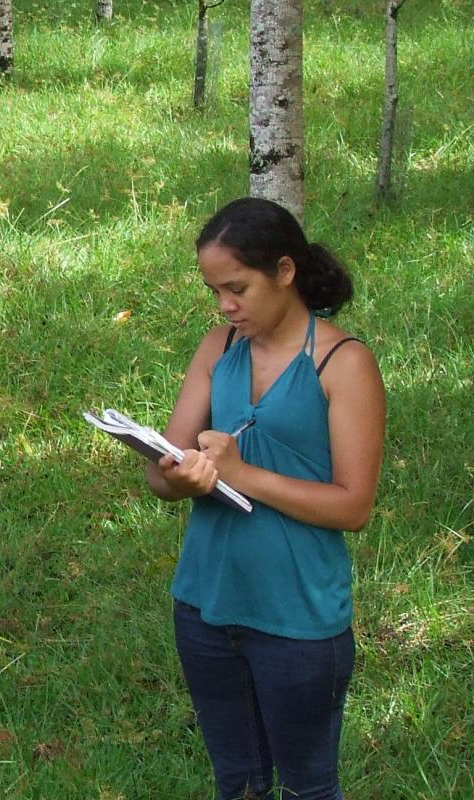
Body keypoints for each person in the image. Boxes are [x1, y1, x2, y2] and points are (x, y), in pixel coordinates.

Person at [145, 197, 385, 800]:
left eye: (237, 288)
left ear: (285, 271)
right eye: (215, 292)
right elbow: (159, 475)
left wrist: (243, 474)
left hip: (298, 620)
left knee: (308, 788)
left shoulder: (343, 363)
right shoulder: (217, 348)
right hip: (204, 605)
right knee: (239, 784)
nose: (226, 306)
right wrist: (183, 476)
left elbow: (353, 506)